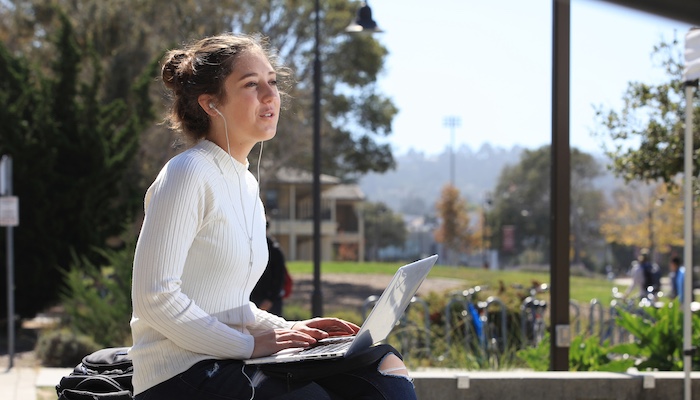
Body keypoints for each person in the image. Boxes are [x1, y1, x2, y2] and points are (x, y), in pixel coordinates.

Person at [129, 33, 417, 400]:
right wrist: (249, 345)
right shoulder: (187, 173)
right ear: (211, 103)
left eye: (272, 82)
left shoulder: (246, 185)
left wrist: (296, 331)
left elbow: (229, 306)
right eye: (251, 85)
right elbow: (155, 298)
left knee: (381, 370)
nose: (270, 96)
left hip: (230, 360)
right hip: (180, 376)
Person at [251, 222, 287, 317]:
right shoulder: (251, 247)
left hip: (269, 301)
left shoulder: (274, 250)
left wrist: (270, 299)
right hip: (252, 299)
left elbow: (279, 278)